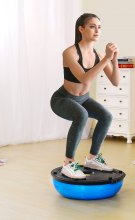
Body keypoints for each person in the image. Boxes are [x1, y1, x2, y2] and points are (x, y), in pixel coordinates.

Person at [50, 13, 120, 179]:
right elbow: (84, 78)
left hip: (84, 99)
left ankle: (92, 159)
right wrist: (106, 59)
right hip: (63, 99)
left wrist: (114, 59)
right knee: (81, 115)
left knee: (106, 116)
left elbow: (116, 81)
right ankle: (68, 163)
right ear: (81, 29)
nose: (97, 30)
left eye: (99, 27)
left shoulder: (99, 56)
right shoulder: (70, 53)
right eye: (92, 26)